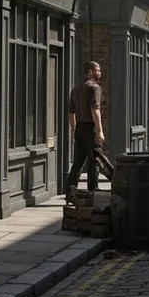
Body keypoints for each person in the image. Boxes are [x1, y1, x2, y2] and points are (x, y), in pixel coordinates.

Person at [64, 60, 104, 204]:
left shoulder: (76, 89)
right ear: (89, 71)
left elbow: (71, 112)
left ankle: (69, 192)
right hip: (90, 128)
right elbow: (95, 109)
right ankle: (92, 191)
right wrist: (99, 131)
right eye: (97, 70)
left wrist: (74, 129)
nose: (100, 72)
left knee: (78, 162)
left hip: (80, 128)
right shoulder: (94, 87)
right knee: (95, 160)